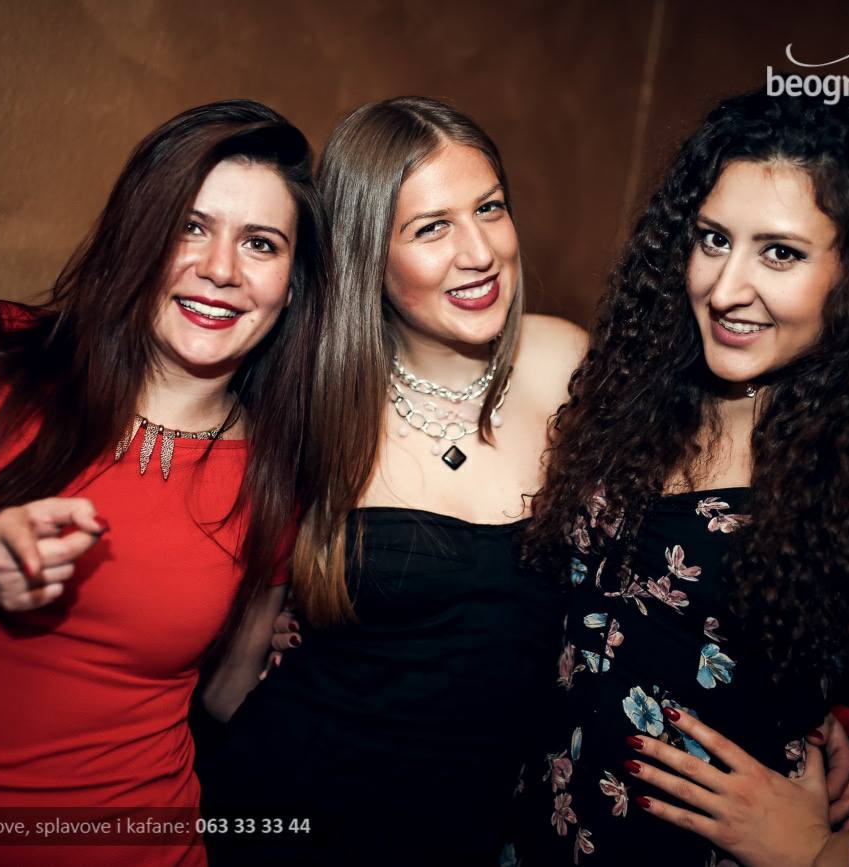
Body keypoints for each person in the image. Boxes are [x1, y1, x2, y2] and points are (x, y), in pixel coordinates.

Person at [515, 91, 849, 865]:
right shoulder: (644, 395)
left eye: (780, 253)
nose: (725, 288)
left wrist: (833, 856)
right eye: (713, 239)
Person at [0, 99, 327, 867]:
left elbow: (227, 692)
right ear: (138, 233)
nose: (221, 269)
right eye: (190, 226)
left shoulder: (275, 467)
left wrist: (323, 649)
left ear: (291, 285)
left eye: (261, 243)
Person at [197, 96, 589, 866]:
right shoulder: (311, 403)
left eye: (490, 209)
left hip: (478, 832)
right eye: (431, 228)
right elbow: (224, 682)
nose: (479, 252)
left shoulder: (566, 364)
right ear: (366, 253)